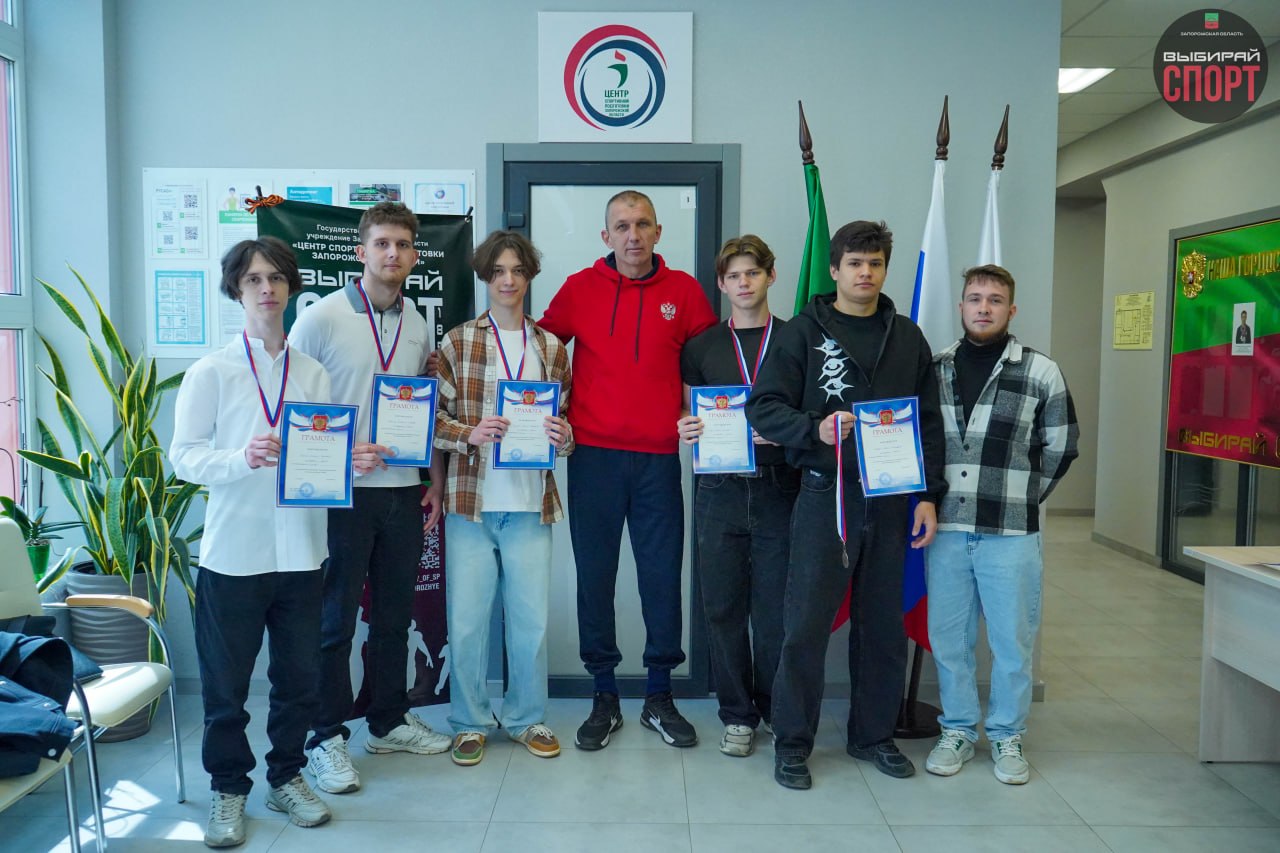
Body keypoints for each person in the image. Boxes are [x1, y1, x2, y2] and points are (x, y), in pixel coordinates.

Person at [746, 220, 946, 789]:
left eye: (875, 264)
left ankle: (873, 736)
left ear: (884, 270)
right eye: (855, 263)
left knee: (882, 625)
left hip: (892, 498)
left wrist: (928, 496)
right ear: (834, 270)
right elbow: (763, 407)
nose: (865, 273)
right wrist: (814, 429)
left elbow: (930, 423)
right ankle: (792, 743)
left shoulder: (906, 336)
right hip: (825, 494)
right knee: (805, 626)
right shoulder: (803, 333)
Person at [538, 190, 717, 750]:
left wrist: (703, 413)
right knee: (595, 576)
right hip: (593, 458)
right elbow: (536, 350)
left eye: (642, 224)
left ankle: (660, 695)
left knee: (661, 576)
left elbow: (712, 364)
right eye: (621, 226)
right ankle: (604, 696)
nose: (632, 235)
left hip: (659, 460)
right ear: (606, 236)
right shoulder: (579, 289)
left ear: (659, 232)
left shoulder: (684, 292)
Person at [171, 237, 334, 847]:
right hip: (234, 556)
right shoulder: (212, 371)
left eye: (277, 278)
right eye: (254, 280)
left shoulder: (312, 372)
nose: (267, 289)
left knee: (299, 681)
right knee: (226, 689)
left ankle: (286, 776)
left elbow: (323, 453)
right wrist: (242, 457)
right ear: (236, 290)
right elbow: (183, 458)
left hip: (302, 552)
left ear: (291, 286)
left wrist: (349, 460)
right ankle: (228, 788)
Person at [289, 201, 448, 795]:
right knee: (333, 621)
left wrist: (433, 478)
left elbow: (420, 405)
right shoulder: (321, 318)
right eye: (381, 243)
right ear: (361, 251)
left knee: (393, 616)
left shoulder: (417, 323)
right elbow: (292, 410)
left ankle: (386, 720)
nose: (392, 253)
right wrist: (341, 453)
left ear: (414, 255)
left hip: (403, 491)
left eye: (402, 244)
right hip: (342, 496)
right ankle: (324, 736)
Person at [924, 264, 1078, 785]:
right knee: (950, 640)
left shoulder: (1040, 371)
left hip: (1010, 533)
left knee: (1012, 643)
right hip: (946, 529)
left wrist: (1022, 497)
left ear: (1011, 310)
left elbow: (1061, 446)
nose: (983, 308)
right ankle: (958, 730)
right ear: (961, 306)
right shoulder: (935, 368)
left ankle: (1008, 735)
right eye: (974, 298)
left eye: (994, 300)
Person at [434, 230, 574, 766]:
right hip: (471, 503)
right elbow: (431, 420)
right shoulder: (457, 342)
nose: (508, 280)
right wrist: (468, 433)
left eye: (517, 270)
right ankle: (469, 721)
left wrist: (565, 435)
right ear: (485, 278)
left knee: (530, 621)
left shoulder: (552, 348)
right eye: (498, 271)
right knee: (467, 621)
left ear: (529, 276)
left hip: (531, 503)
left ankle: (525, 718)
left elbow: (566, 422)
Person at [676, 235, 797, 757]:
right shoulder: (701, 346)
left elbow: (810, 414)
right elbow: (688, 409)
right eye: (733, 276)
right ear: (721, 285)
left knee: (775, 612)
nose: (744, 283)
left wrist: (785, 431)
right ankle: (737, 714)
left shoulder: (797, 341)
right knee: (722, 608)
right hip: (718, 489)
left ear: (771, 276)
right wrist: (686, 426)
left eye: (753, 273)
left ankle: (773, 707)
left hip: (781, 487)